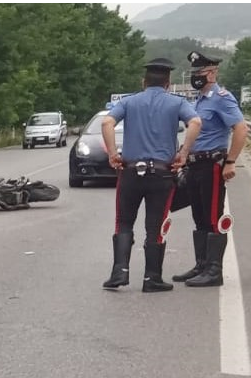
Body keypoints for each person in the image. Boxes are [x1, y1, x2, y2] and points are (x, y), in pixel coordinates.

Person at [102, 57, 203, 292]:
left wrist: (112, 154)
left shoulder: (129, 102)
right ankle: (152, 278)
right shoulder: (176, 103)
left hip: (130, 171)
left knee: (123, 222)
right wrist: (184, 153)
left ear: (143, 82)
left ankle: (120, 272)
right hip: (161, 173)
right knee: (155, 226)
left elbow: (107, 123)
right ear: (168, 83)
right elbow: (196, 122)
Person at [172, 51, 249, 287]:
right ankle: (201, 265)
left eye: (201, 72)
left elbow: (241, 128)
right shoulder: (198, 101)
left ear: (213, 72)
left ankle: (214, 271)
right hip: (194, 165)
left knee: (213, 216)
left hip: (211, 165)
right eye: (194, 73)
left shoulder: (221, 98)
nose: (196, 76)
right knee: (199, 216)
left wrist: (231, 161)